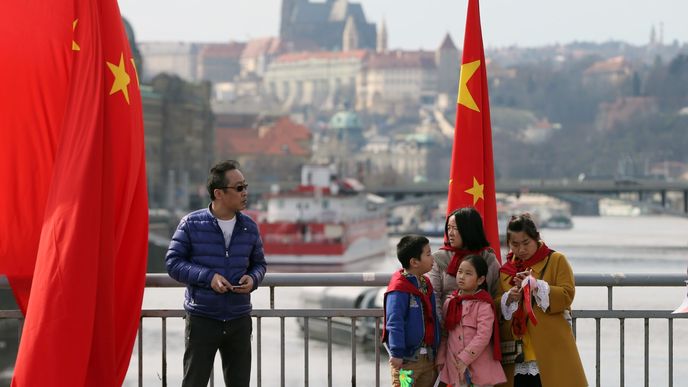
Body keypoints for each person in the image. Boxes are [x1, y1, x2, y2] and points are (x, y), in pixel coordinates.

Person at [166, 160, 267, 387]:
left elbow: (260, 264)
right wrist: (208, 277)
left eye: (245, 186)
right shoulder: (191, 224)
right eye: (239, 188)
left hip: (239, 319)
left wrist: (253, 279)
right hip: (203, 318)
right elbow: (173, 263)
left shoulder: (249, 227)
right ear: (219, 193)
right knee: (194, 383)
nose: (245, 193)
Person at [498, 213, 587, 387]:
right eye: (514, 245)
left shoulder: (556, 260)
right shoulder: (505, 271)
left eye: (526, 243)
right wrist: (509, 299)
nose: (521, 250)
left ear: (537, 238)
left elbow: (567, 295)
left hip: (551, 346)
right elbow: (495, 304)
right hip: (516, 351)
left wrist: (537, 286)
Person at [437, 255, 506, 387]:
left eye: (468, 273)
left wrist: (465, 358)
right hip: (454, 366)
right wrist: (441, 358)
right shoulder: (450, 302)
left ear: (480, 279)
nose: (462, 276)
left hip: (479, 369)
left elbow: (483, 336)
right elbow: (445, 334)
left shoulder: (483, 304)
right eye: (460, 271)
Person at [383, 235, 441, 387]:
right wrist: (396, 353)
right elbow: (394, 321)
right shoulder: (399, 288)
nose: (432, 257)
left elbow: (432, 318)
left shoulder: (426, 284)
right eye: (428, 254)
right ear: (414, 262)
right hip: (406, 361)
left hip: (428, 360)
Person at [429, 207, 501, 326]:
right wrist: (441, 326)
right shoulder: (439, 258)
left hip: (481, 329)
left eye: (455, 228)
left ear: (469, 230)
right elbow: (433, 295)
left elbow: (497, 294)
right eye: (448, 228)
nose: (450, 233)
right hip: (447, 329)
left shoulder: (488, 259)